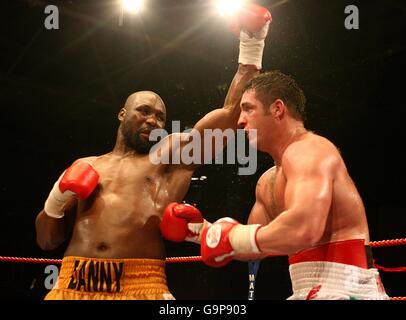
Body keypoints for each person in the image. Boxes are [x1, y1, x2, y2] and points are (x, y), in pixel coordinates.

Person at [35, 4, 272, 300]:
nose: (153, 120)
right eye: (144, 111)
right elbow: (46, 241)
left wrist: (250, 48)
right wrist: (58, 197)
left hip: (140, 283)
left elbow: (228, 116)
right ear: (122, 114)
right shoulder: (86, 165)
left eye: (160, 116)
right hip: (72, 283)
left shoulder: (169, 156)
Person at [160, 70, 390, 300]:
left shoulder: (309, 150)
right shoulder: (267, 181)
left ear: (277, 109)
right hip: (305, 288)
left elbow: (304, 228)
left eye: (248, 108)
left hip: (348, 287)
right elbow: (250, 246)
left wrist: (231, 237)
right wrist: (201, 232)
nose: (240, 120)